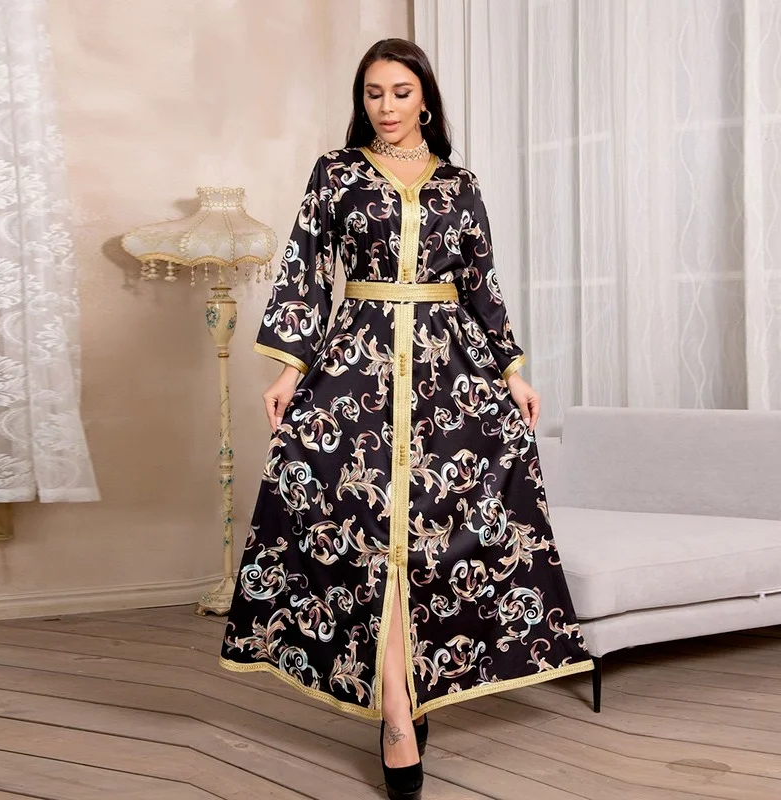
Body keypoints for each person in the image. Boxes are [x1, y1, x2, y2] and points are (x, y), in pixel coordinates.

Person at [220, 37, 592, 800]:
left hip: (451, 375)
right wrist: (291, 369)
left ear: (425, 98)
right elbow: (306, 269)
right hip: (355, 370)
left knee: (431, 542)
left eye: (400, 92)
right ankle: (397, 716)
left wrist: (512, 371)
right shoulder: (337, 173)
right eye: (373, 94)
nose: (386, 107)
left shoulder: (460, 184)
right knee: (360, 534)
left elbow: (482, 284)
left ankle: (410, 689)